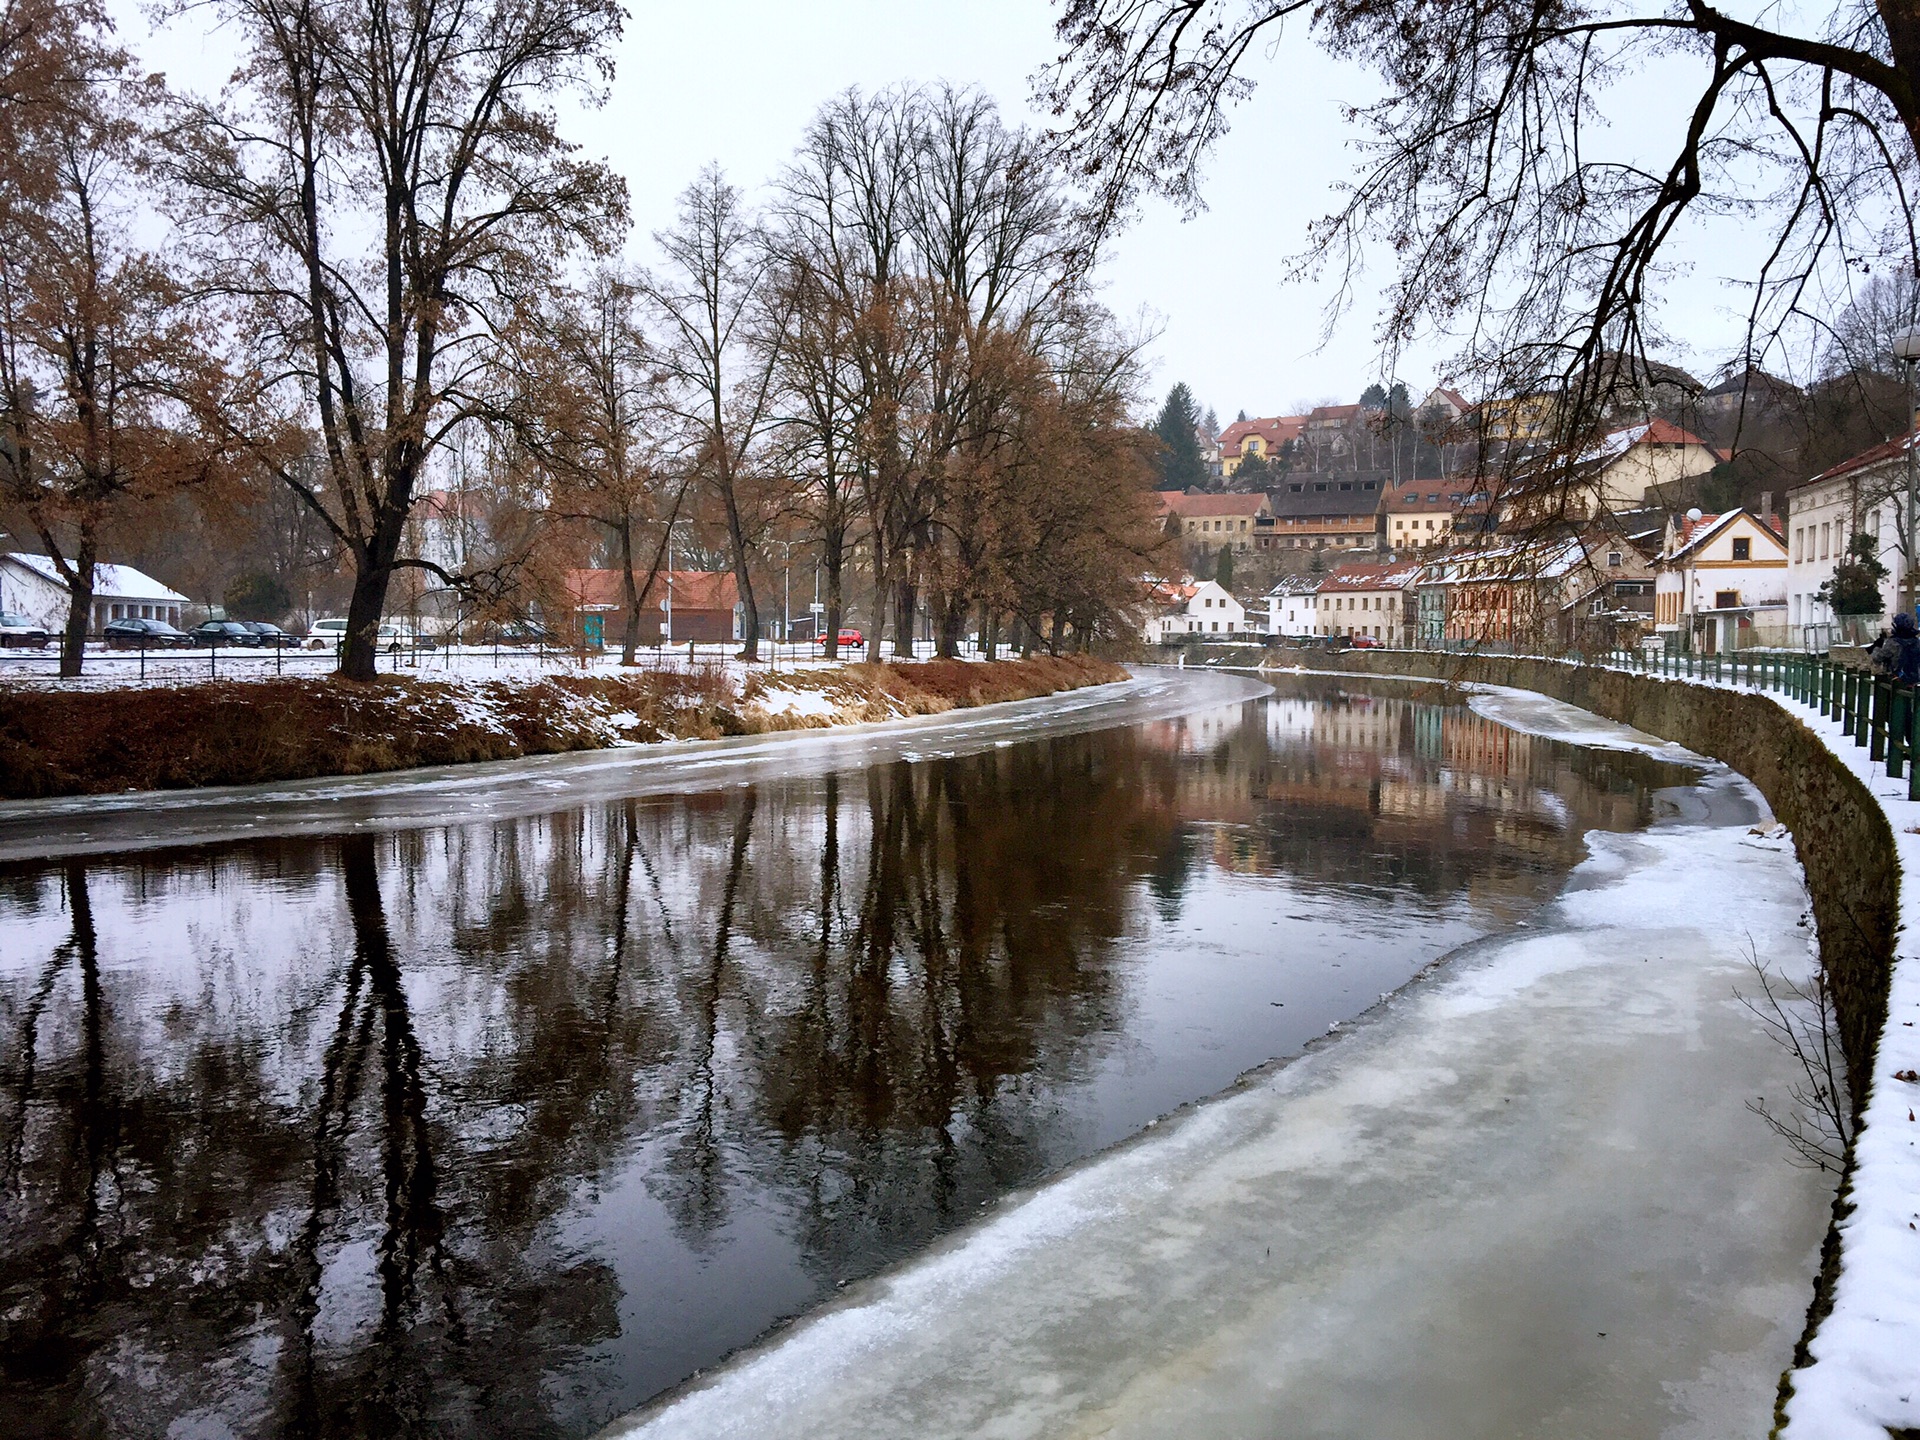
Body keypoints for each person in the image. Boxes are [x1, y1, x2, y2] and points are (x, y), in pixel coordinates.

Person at [1871, 612, 1920, 682]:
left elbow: (1877, 658)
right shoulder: (1917, 642)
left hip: (1896, 680)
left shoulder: (1893, 643)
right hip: (1915, 680)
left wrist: (1878, 646)